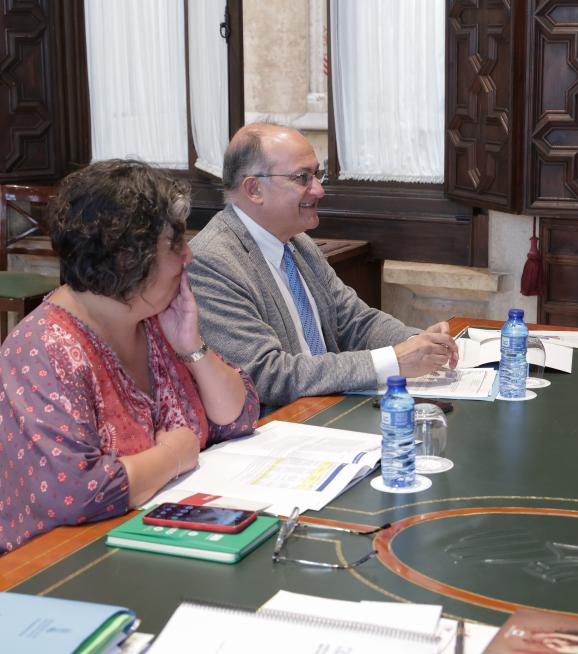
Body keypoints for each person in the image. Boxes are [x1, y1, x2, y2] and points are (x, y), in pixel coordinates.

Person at [0, 160, 259, 553]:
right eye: (176, 243)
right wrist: (173, 455)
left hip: (155, 545)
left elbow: (239, 415)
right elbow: (75, 494)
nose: (189, 256)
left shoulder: (152, 318)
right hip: (67, 563)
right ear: (126, 258)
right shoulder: (41, 350)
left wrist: (192, 346)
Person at [187, 123, 458, 407]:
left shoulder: (299, 243)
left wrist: (420, 342)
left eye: (317, 174)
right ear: (254, 189)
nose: (319, 189)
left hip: (326, 408)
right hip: (279, 422)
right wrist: (395, 360)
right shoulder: (211, 262)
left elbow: (355, 322)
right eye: (302, 177)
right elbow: (267, 375)